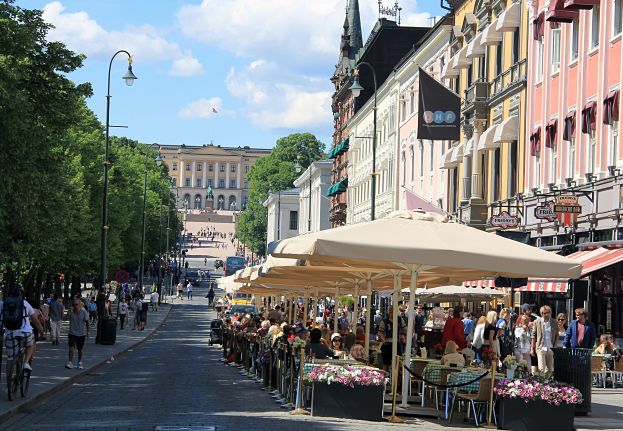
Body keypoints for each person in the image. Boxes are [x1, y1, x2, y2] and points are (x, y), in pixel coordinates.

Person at [2, 286, 44, 374]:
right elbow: (35, 320)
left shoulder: (4, 303)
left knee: (10, 359)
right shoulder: (25, 303)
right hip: (25, 332)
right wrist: (42, 332)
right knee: (31, 344)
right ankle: (25, 363)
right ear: (21, 294)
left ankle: (9, 385)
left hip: (9, 332)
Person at [531, 305, 558, 378]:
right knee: (541, 368)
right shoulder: (537, 322)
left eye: (548, 313)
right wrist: (532, 349)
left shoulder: (554, 322)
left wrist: (555, 347)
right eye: (544, 313)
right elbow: (533, 336)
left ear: (550, 313)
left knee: (550, 369)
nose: (546, 315)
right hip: (541, 347)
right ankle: (541, 383)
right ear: (541, 314)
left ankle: (545, 381)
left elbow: (556, 335)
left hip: (550, 348)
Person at [66, 299, 89, 369]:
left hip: (81, 333)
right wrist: (68, 314)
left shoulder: (84, 312)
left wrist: (88, 331)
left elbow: (87, 322)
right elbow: (64, 319)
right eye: (73, 305)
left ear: (80, 304)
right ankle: (70, 362)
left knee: (80, 349)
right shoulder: (71, 312)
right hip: (72, 333)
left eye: (76, 304)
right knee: (71, 348)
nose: (75, 306)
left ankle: (80, 362)